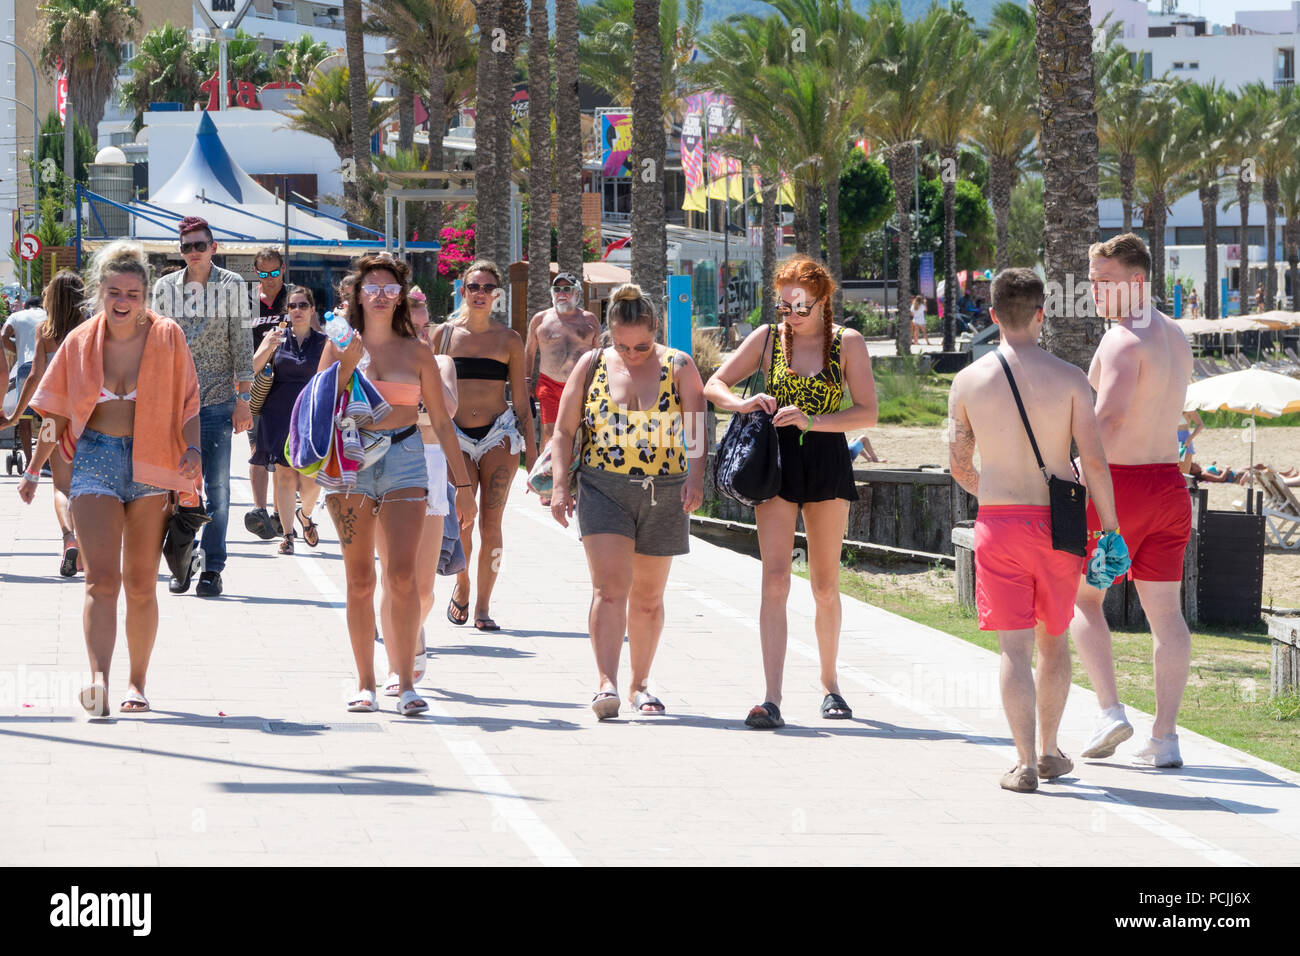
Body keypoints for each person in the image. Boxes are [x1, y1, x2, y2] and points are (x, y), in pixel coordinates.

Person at [948, 268, 1122, 792]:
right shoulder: (1071, 379)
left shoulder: (968, 381)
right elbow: (1093, 462)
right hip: (1060, 527)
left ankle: (1023, 764)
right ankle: (1049, 751)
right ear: (1042, 315)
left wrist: (995, 496)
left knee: (1013, 649)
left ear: (993, 315)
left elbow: (957, 463)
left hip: (999, 525)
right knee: (1054, 643)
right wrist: (1110, 529)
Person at [19, 241, 202, 715]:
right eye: (115, 291)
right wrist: (36, 469)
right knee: (101, 579)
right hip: (95, 458)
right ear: (100, 290)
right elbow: (54, 412)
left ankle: (136, 684)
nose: (123, 301)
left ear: (146, 295)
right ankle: (98, 681)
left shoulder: (168, 337)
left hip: (152, 461)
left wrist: (195, 451)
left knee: (141, 583)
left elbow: (189, 403)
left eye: (134, 293)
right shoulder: (80, 340)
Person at [703, 256, 878, 729]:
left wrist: (814, 421)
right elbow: (713, 383)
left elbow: (868, 413)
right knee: (775, 579)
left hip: (825, 460)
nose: (792, 314)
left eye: (800, 305)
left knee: (824, 584)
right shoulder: (766, 339)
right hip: (774, 462)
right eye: (784, 305)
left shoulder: (847, 342)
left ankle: (830, 685)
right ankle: (772, 697)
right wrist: (742, 401)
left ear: (823, 300)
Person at [319, 252, 477, 716]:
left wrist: (463, 485)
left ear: (402, 297)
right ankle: (364, 683)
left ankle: (405, 682)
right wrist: (348, 362)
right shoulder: (339, 343)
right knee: (359, 579)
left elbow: (445, 424)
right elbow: (320, 402)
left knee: (403, 576)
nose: (382, 296)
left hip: (407, 457)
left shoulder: (417, 351)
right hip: (351, 463)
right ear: (356, 294)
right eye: (373, 288)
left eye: (391, 289)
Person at [550, 283, 706, 717]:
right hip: (605, 487)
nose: (632, 353)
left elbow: (695, 430)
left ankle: (640, 683)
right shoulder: (592, 364)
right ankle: (606, 682)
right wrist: (561, 485)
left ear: (656, 330)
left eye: (641, 345)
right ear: (609, 336)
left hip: (666, 490)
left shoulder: (680, 366)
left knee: (649, 598)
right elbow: (563, 431)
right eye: (622, 345)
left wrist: (696, 478)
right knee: (610, 589)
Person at [1072, 233, 1196, 769]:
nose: (1095, 292)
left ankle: (1110, 711)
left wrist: (1076, 464)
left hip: (1118, 489)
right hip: (1169, 485)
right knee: (1166, 615)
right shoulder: (1175, 334)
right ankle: (1164, 739)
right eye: (1092, 282)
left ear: (1137, 281)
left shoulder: (1122, 340)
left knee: (1084, 599)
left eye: (1105, 282)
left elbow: (1110, 417)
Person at [151, 215, 253, 597]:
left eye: (199, 245)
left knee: (218, 488)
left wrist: (244, 400)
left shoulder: (233, 285)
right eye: (186, 246)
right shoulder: (164, 288)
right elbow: (155, 345)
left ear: (214, 248)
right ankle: (181, 556)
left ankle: (213, 566)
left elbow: (242, 345)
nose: (193, 252)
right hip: (172, 403)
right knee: (173, 488)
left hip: (215, 400)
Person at [435, 259, 539, 631]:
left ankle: (483, 606)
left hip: (498, 434)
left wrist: (534, 452)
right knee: (462, 519)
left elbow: (522, 400)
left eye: (487, 287)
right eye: (473, 286)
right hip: (455, 435)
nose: (480, 293)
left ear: (497, 294)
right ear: (462, 291)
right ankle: (461, 585)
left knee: (492, 523)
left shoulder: (509, 339)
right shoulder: (443, 336)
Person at [377, 284, 460, 694]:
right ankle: (396, 666)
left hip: (430, 466)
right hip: (388, 465)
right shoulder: (383, 361)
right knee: (395, 575)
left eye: (426, 328)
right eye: (413, 329)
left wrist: (423, 358)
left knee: (423, 587)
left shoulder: (441, 363)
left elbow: (445, 411)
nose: (421, 335)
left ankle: (416, 629)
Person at [1, 272, 87, 576]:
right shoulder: (92, 327)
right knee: (89, 486)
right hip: (91, 417)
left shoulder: (45, 331)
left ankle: (69, 539)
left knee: (62, 486)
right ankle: (88, 548)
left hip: (53, 418)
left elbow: (35, 376)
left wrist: (14, 415)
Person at [250, 285, 326, 555]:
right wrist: (269, 343)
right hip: (279, 416)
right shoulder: (277, 338)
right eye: (292, 306)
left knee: (311, 479)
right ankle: (287, 535)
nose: (297, 310)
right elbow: (253, 367)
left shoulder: (324, 342)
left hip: (312, 418)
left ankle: (304, 515)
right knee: (283, 477)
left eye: (303, 305)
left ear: (312, 309)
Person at [524, 271, 601, 453]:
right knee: (549, 432)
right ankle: (545, 476)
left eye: (567, 289)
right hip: (549, 384)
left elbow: (600, 354)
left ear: (577, 293)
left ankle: (575, 475)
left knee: (580, 433)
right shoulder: (540, 319)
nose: (562, 293)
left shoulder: (589, 319)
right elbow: (529, 352)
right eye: (557, 289)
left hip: (582, 385)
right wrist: (526, 382)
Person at [245, 246, 290, 541]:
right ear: (256, 272)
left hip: (288, 383)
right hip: (256, 383)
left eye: (275, 272)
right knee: (257, 449)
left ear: (283, 269)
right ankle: (259, 510)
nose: (270, 278)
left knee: (284, 454)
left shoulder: (294, 298)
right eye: (264, 273)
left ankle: (280, 512)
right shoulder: (246, 300)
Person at [2, 295, 46, 466]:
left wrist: (18, 350)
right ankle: (46, 461)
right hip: (47, 365)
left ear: (26, 306)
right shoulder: (47, 315)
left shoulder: (16, 316)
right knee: (48, 416)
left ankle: (29, 461)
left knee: (24, 417)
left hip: (24, 367)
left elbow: (3, 336)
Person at [1177, 409, 1204, 475]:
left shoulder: (1189, 408)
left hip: (1183, 442)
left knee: (1183, 473)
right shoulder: (1170, 405)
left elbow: (1200, 425)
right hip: (1170, 441)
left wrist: (1190, 438)